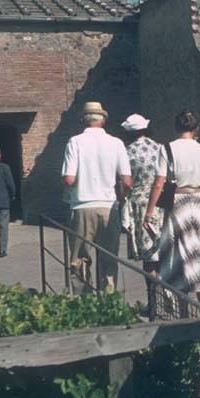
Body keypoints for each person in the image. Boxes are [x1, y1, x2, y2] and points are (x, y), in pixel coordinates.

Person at [145, 109, 200, 310]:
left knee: (180, 256)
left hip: (178, 202)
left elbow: (159, 183)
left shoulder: (167, 149)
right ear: (196, 129)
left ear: (176, 128)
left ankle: (183, 314)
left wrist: (149, 212)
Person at [62, 101, 132, 291]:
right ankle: (109, 300)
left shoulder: (75, 142)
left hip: (82, 206)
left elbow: (69, 179)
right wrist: (122, 198)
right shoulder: (116, 143)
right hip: (109, 206)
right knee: (109, 258)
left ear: (83, 120)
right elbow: (126, 181)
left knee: (79, 259)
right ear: (103, 120)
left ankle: (83, 303)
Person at [119, 114, 165, 275]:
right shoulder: (159, 148)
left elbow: (125, 182)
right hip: (160, 201)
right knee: (161, 249)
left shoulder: (127, 152)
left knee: (148, 254)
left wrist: (122, 198)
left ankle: (152, 295)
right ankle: (167, 294)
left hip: (139, 203)